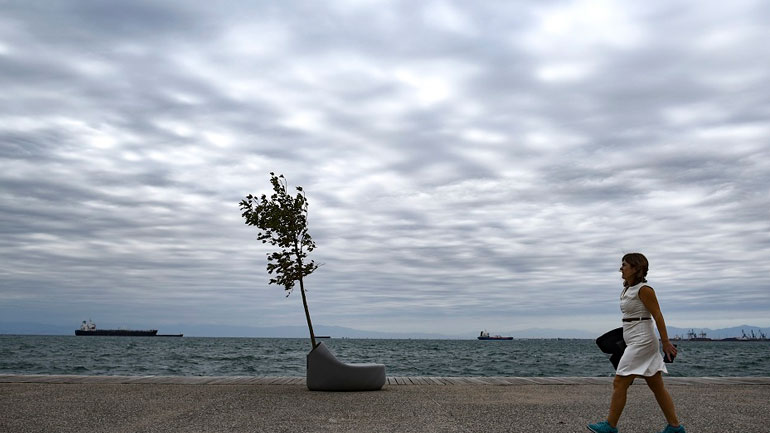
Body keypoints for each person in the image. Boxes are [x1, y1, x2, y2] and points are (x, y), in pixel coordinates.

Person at [588, 253, 685, 433]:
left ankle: (610, 426)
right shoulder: (626, 290)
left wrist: (665, 342)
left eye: (624, 265)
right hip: (631, 336)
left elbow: (657, 315)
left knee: (619, 381)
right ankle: (675, 427)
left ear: (636, 268)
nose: (621, 268)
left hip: (643, 340)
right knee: (656, 385)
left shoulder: (645, 289)